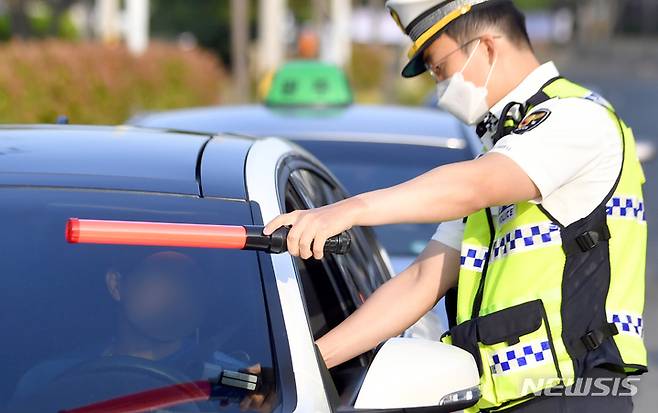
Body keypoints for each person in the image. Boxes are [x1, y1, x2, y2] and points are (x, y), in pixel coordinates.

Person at [263, 0, 648, 411]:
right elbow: (421, 283)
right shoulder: (505, 148)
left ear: (486, 46)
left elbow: (472, 187)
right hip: (511, 400)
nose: (439, 87)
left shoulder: (575, 119)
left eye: (439, 68)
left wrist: (347, 210)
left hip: (574, 394)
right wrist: (298, 365)